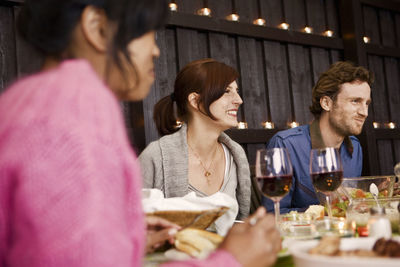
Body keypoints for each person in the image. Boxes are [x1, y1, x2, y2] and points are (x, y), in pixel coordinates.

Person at [0, 1, 280, 266]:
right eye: (146, 32)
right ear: (97, 27)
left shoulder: (23, 99)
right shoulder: (76, 107)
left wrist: (128, 239)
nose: (156, 51)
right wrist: (233, 260)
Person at [139, 58, 251, 220]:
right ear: (195, 101)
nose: (239, 100)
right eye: (227, 91)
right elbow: (124, 222)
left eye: (236, 90)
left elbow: (239, 223)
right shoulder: (155, 156)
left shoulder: (235, 155)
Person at [263, 61, 373, 213]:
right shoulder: (284, 144)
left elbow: (348, 208)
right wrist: (323, 213)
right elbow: (272, 214)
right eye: (355, 101)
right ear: (327, 103)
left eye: (367, 103)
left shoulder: (355, 148)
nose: (364, 112)